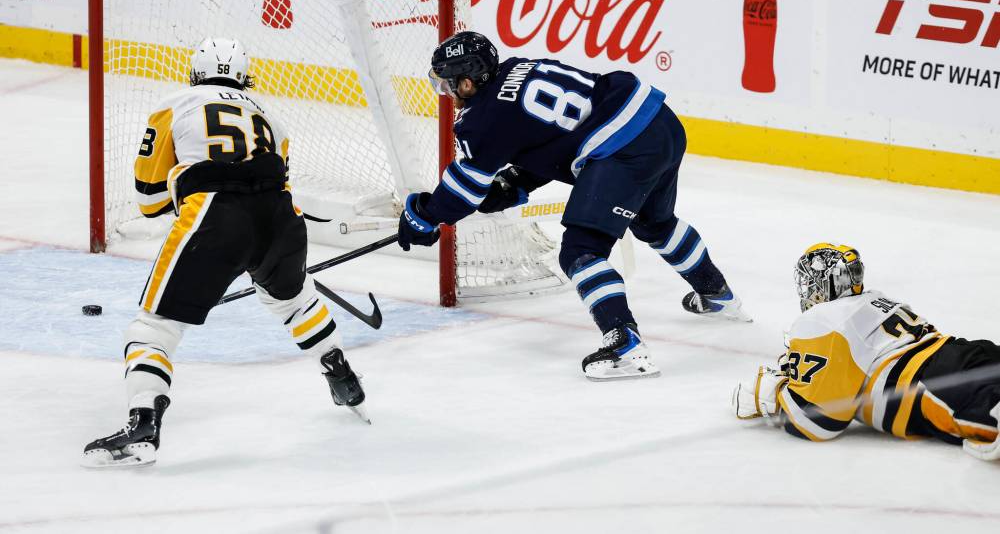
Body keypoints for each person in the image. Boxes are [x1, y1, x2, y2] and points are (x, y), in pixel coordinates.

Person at [398, 31, 750, 382]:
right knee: (653, 223)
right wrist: (518, 182)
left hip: (623, 148)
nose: (446, 95)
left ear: (468, 82)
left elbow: (464, 191)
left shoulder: (481, 120)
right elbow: (557, 138)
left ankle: (626, 346)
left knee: (581, 251)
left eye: (447, 86)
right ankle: (716, 294)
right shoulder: (519, 68)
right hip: (660, 123)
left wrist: (425, 216)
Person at [82, 38, 368, 468]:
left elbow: (148, 199)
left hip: (215, 218)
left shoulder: (176, 103)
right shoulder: (271, 116)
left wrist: (190, 192)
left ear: (195, 74)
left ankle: (142, 424)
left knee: (155, 327)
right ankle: (342, 375)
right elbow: (281, 180)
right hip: (281, 218)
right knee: (295, 300)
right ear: (244, 77)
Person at [732, 243, 1000, 460]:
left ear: (824, 284)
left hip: (935, 383)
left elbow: (817, 421)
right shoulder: (876, 298)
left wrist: (769, 395)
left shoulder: (823, 318)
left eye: (810, 283)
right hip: (964, 350)